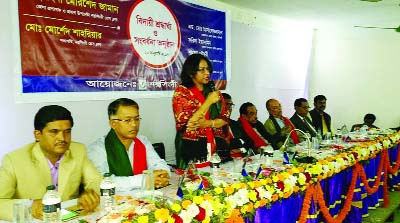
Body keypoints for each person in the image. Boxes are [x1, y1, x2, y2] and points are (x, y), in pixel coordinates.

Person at [0, 105, 102, 221]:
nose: (62, 138)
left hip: (69, 217)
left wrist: (91, 194)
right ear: (38, 135)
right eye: (54, 132)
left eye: (67, 132)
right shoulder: (14, 160)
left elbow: (95, 180)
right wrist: (30, 206)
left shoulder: (78, 150)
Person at [87, 98, 170, 192]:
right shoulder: (97, 149)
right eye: (127, 120)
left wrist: (162, 175)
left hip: (143, 199)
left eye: (137, 119)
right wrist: (143, 180)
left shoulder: (142, 141)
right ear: (113, 123)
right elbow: (100, 181)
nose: (134, 124)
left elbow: (158, 163)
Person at [172, 53, 230, 168]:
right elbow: (189, 124)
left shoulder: (213, 91)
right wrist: (208, 102)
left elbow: (225, 118)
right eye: (202, 70)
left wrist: (208, 123)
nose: (207, 73)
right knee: (193, 182)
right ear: (191, 72)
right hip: (191, 148)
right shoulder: (182, 92)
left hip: (213, 144)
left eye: (208, 69)